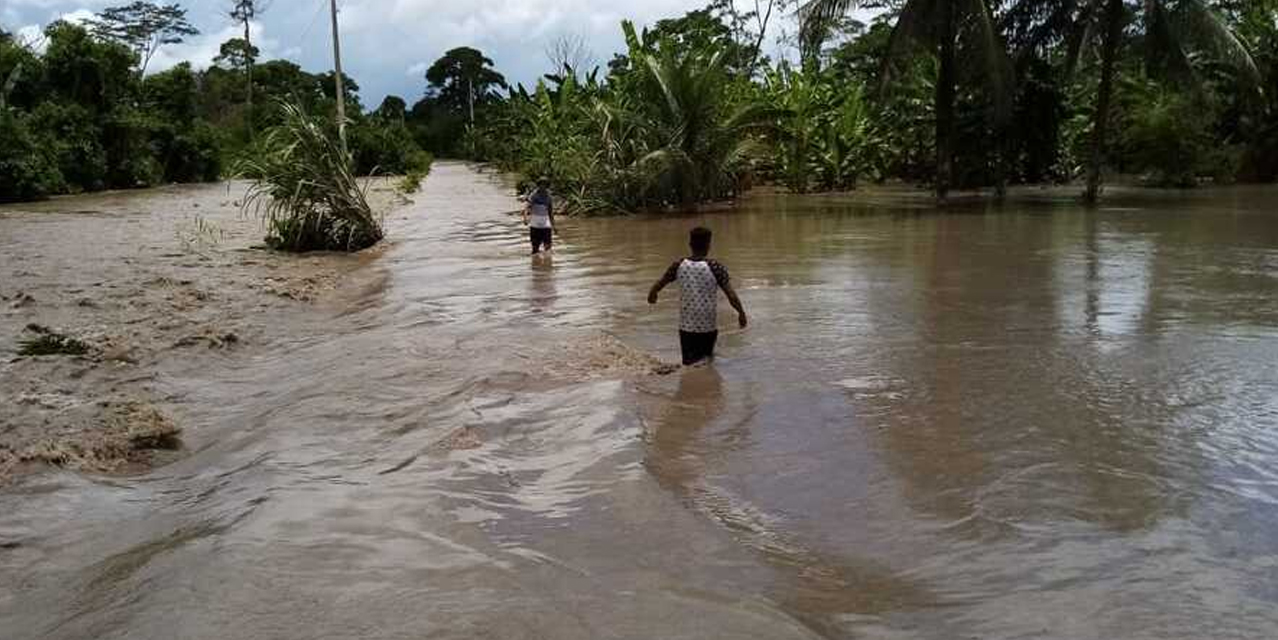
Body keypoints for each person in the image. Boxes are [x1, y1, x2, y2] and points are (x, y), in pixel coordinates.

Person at [647, 227, 747, 366]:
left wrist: (652, 294)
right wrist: (741, 313)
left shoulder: (679, 265)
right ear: (708, 245)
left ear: (690, 244)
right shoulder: (715, 267)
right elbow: (731, 295)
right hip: (707, 325)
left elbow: (660, 283)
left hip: (686, 325)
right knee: (706, 361)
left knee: (688, 362)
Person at [522, 177, 555, 255]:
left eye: (544, 185)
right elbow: (527, 207)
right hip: (535, 224)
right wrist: (525, 218)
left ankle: (547, 265)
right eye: (541, 185)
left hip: (546, 224)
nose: (542, 187)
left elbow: (550, 211)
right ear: (538, 185)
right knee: (535, 248)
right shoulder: (534, 195)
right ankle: (536, 264)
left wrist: (554, 225)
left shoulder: (549, 196)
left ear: (547, 186)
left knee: (548, 247)